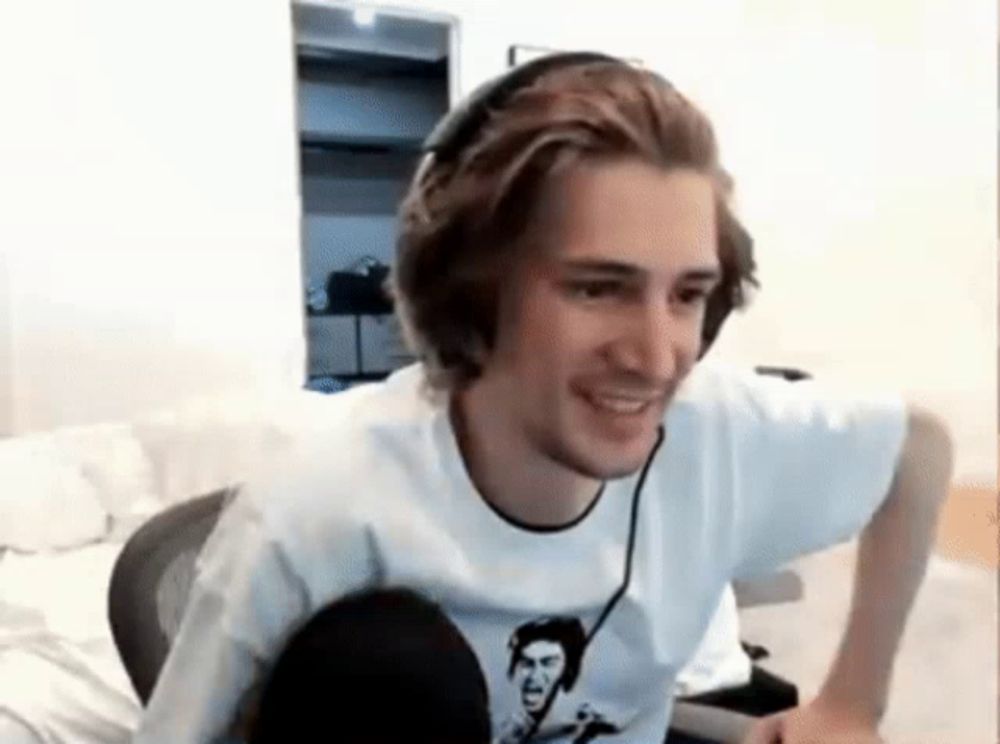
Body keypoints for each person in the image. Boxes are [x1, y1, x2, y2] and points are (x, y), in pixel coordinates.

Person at [134, 52, 953, 744]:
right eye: (599, 288)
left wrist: (853, 702)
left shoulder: (716, 432)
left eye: (687, 295)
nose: (655, 354)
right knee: (385, 660)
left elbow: (917, 448)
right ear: (469, 292)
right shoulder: (316, 516)